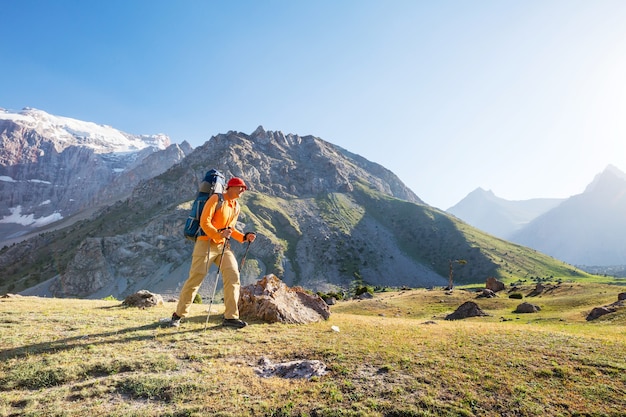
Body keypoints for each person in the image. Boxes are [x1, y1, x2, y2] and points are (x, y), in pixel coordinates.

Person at [171, 176, 256, 328]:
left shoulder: (235, 206)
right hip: (205, 243)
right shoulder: (216, 199)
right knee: (196, 278)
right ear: (230, 187)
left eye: (244, 189)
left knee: (233, 276)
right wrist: (218, 234)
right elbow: (205, 222)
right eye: (240, 187)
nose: (243, 190)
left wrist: (244, 237)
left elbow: (231, 229)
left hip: (223, 246)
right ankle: (178, 315)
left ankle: (231, 317)